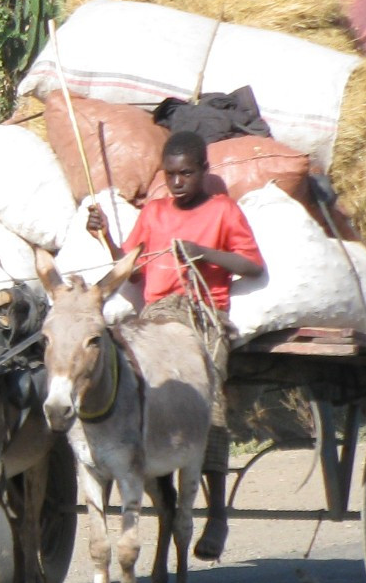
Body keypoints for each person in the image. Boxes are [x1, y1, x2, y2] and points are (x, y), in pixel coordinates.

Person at [86, 129, 265, 560]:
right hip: (154, 319)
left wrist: (205, 253)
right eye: (171, 175)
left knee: (210, 407)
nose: (179, 181)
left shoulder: (223, 211)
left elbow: (253, 265)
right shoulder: (153, 212)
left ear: (204, 170)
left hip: (203, 318)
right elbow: (130, 271)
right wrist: (106, 236)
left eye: (187, 173)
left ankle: (217, 513)